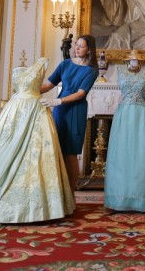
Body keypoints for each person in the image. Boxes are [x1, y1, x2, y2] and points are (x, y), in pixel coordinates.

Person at [0, 58, 75, 223]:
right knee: (6, 149)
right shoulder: (19, 70)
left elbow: (46, 86)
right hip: (14, 111)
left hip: (35, 110)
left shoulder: (44, 63)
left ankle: (40, 206)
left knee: (37, 154)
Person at [40, 34, 99, 194]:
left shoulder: (92, 71)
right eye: (76, 45)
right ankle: (57, 193)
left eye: (81, 46)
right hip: (60, 112)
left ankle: (71, 193)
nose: (77, 48)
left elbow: (80, 94)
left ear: (89, 50)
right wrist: (29, 90)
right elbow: (48, 85)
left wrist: (58, 101)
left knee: (71, 153)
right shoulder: (65, 64)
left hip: (75, 111)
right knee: (57, 149)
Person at [104, 51, 145, 212]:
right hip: (123, 116)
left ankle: (144, 200)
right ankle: (119, 198)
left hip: (142, 116)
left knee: (143, 156)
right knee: (121, 156)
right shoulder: (120, 71)